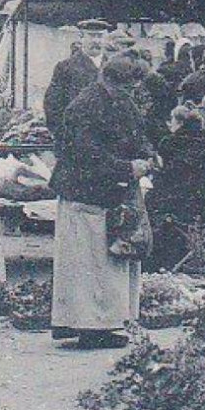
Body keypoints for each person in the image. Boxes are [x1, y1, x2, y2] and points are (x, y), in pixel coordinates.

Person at [49, 52, 153, 348]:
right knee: (87, 264)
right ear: (106, 80)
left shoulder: (123, 100)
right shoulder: (83, 107)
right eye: (124, 88)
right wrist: (125, 167)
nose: (129, 94)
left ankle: (109, 322)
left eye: (133, 90)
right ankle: (87, 328)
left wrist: (146, 153)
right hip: (83, 194)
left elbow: (138, 133)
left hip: (111, 193)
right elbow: (83, 154)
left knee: (109, 263)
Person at [147, 103, 205, 272]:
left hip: (184, 207)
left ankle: (163, 260)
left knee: (151, 201)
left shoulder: (170, 142)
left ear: (179, 123)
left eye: (171, 122)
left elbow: (168, 178)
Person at [43, 19, 108, 151]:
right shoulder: (66, 67)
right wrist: (63, 135)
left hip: (108, 141)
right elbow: (52, 104)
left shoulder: (113, 66)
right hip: (76, 141)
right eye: (91, 35)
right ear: (81, 38)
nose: (96, 41)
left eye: (100, 36)